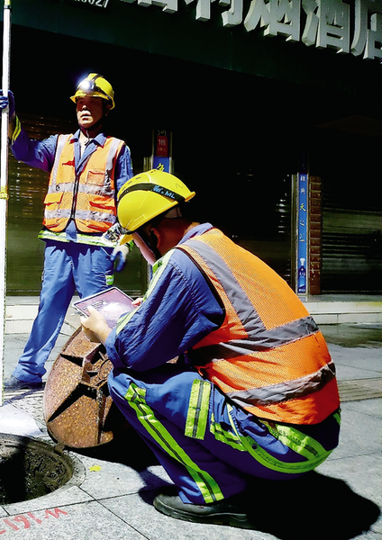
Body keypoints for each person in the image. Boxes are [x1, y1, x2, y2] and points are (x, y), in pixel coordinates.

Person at [80, 169, 341, 529]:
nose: (139, 250)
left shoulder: (182, 261)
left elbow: (134, 352)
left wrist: (103, 331)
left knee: (127, 381)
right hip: (320, 431)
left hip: (285, 446)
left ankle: (214, 493)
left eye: (135, 242)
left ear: (151, 234)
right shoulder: (219, 246)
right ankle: (237, 461)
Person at [0, 73, 133, 390]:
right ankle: (29, 370)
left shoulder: (116, 150)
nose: (84, 108)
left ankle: (114, 371)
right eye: (80, 103)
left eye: (92, 103)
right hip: (58, 244)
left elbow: (126, 203)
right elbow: (24, 151)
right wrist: (11, 119)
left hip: (96, 248)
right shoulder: (58, 145)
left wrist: (121, 244)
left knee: (101, 315)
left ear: (106, 108)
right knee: (48, 309)